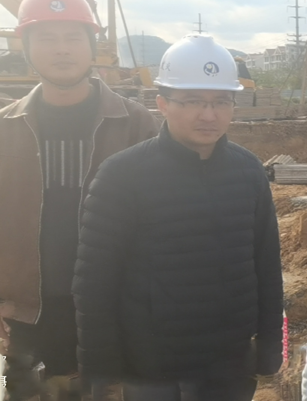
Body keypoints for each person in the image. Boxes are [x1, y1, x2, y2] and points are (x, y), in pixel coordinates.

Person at [73, 34, 283, 400]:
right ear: (163, 104)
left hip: (229, 367)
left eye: (221, 102)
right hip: (152, 370)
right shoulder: (122, 175)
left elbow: (267, 267)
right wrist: (102, 372)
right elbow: (94, 282)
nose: (209, 115)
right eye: (192, 101)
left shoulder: (248, 171)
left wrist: (269, 349)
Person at [0, 0, 157, 401]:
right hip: (27, 317)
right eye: (46, 38)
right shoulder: (5, 129)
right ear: (26, 48)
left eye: (73, 37)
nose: (61, 50)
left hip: (114, 314)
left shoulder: (136, 125)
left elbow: (165, 223)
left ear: (92, 46)